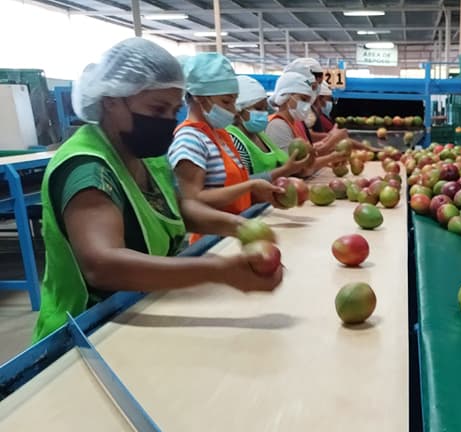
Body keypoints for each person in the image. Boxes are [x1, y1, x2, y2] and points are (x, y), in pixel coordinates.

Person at [34, 39, 282, 341]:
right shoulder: (87, 167)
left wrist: (239, 225)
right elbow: (102, 264)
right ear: (112, 100)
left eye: (173, 109)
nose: (166, 120)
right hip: (86, 336)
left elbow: (178, 208)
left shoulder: (142, 155)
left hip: (137, 310)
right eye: (157, 108)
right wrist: (217, 270)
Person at [168, 53, 281, 220]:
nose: (234, 110)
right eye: (226, 102)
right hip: (212, 237)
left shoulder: (219, 134)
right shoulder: (189, 140)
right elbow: (191, 201)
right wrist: (250, 186)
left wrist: (260, 195)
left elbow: (230, 190)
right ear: (199, 98)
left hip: (237, 227)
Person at [226, 76, 310, 181]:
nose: (264, 113)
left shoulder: (260, 134)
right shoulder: (232, 140)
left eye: (265, 109)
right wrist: (285, 170)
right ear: (238, 110)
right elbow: (242, 183)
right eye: (258, 108)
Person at [266, 72, 346, 173]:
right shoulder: (277, 126)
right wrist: (332, 156)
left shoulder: (294, 123)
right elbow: (296, 169)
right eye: (303, 99)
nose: (306, 105)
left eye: (308, 101)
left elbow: (303, 158)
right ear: (285, 96)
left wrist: (314, 149)